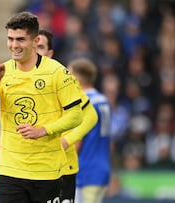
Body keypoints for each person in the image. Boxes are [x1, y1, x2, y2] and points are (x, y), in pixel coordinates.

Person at [0, 11, 84, 203]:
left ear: (35, 41)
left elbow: (76, 115)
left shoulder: (57, 72)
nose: (14, 45)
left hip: (47, 172)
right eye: (10, 39)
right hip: (9, 171)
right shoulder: (2, 72)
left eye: (20, 39)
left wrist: (43, 130)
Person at [37, 29, 98, 202]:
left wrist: (67, 140)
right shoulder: (18, 78)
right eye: (33, 45)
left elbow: (91, 115)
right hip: (31, 166)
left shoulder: (63, 78)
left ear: (50, 53)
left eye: (40, 47)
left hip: (63, 166)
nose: (35, 51)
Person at [68, 58, 112, 203]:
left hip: (86, 170)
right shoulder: (102, 100)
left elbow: (77, 142)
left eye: (69, 75)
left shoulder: (84, 103)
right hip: (102, 168)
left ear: (76, 78)